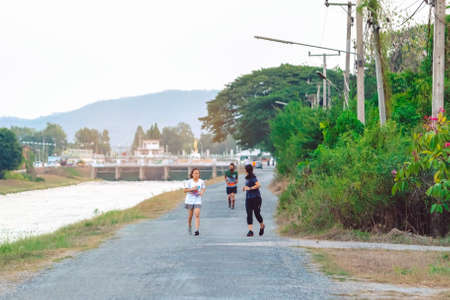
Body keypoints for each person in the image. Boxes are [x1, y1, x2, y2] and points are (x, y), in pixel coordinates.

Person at [242, 164, 265, 237]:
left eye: (245, 169)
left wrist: (250, 188)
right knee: (249, 214)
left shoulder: (253, 177)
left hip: (256, 198)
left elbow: (258, 185)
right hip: (248, 198)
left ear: (247, 170)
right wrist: (245, 188)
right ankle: (250, 231)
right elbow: (248, 186)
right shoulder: (247, 178)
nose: (244, 170)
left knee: (257, 214)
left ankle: (262, 226)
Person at [184, 168, 206, 236]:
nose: (196, 174)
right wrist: (192, 189)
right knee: (190, 216)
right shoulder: (189, 182)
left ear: (199, 174)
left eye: (197, 173)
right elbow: (185, 190)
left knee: (197, 214)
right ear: (192, 174)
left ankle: (197, 230)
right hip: (189, 200)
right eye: (195, 173)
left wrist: (201, 192)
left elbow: (203, 188)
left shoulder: (201, 181)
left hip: (197, 200)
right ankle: (190, 225)